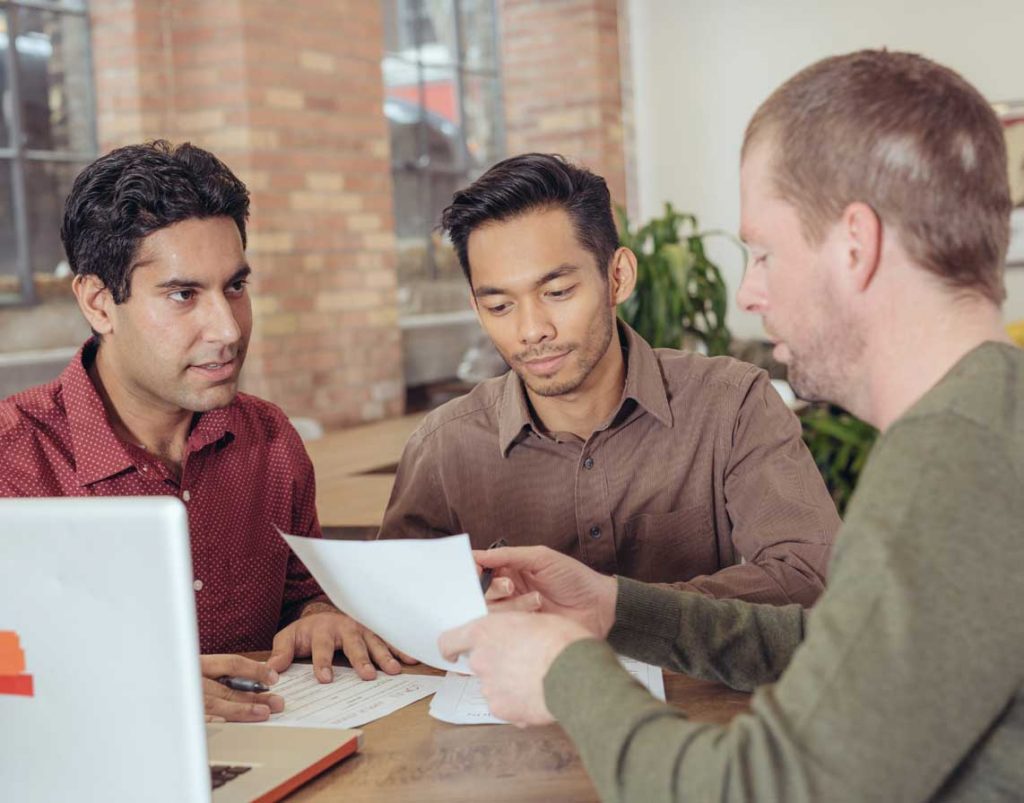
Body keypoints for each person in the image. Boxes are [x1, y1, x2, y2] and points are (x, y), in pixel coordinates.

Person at [439, 50, 1024, 801]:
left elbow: (760, 789)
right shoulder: (991, 419)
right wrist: (619, 607)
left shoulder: (954, 463)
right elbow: (842, 653)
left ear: (855, 244)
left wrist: (563, 674)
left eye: (763, 252)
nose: (747, 292)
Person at [0, 141, 411, 722]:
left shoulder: (270, 440)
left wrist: (317, 614)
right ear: (98, 303)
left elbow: (300, 591)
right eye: (183, 295)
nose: (227, 329)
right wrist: (136, 688)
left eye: (235, 287)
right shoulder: (13, 460)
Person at [380, 153, 839, 606]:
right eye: (500, 306)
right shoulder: (444, 447)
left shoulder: (730, 405)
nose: (531, 329)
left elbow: (809, 576)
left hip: (688, 684)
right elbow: (395, 608)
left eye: (557, 292)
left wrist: (614, 608)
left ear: (617, 276)